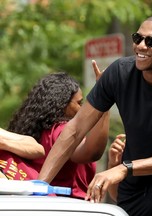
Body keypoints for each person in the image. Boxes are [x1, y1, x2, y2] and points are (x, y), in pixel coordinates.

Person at [38, 15, 152, 216]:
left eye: (151, 41)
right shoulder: (119, 73)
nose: (141, 46)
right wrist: (39, 188)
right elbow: (75, 129)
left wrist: (124, 168)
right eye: (138, 38)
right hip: (135, 188)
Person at [7, 71, 109, 199]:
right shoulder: (62, 131)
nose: (81, 109)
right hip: (66, 206)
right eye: (79, 103)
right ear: (62, 104)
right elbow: (91, 152)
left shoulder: (34, 133)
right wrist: (105, 97)